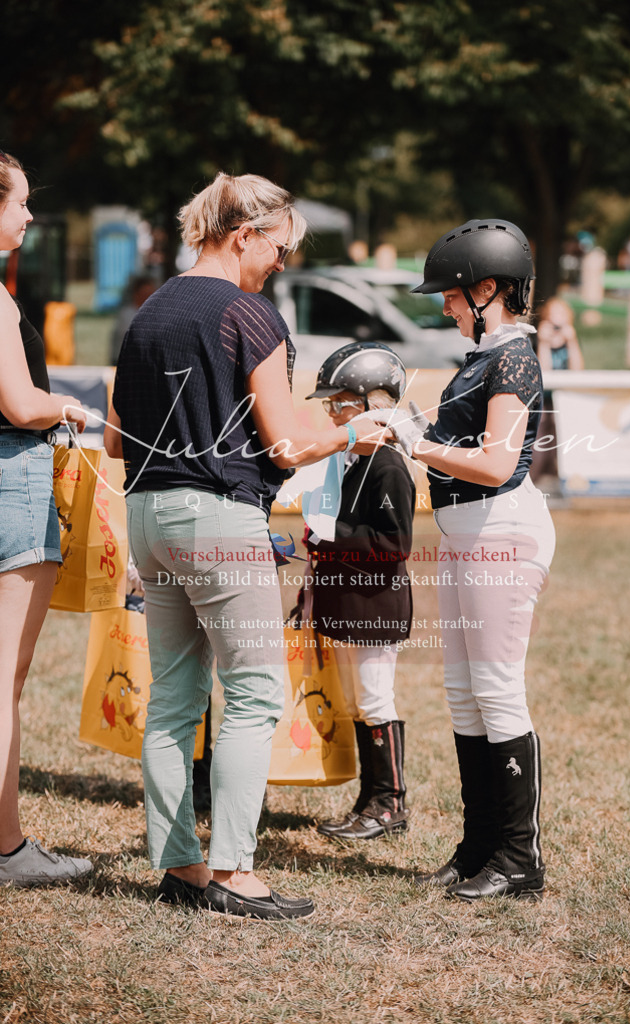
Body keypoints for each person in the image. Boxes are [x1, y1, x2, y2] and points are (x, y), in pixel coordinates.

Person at [104, 172, 384, 921]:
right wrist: (354, 433)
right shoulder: (248, 314)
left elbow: (111, 433)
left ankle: (181, 868)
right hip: (219, 520)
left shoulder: (146, 312)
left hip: (147, 515)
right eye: (281, 246)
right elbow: (288, 442)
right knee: (255, 693)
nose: (283, 263)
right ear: (244, 235)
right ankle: (233, 869)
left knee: (172, 699)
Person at [388, 219, 555, 901]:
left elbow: (493, 463)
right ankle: (478, 844)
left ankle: (520, 857)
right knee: (463, 693)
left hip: (500, 531)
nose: (447, 306)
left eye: (454, 295)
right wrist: (406, 428)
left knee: (495, 688)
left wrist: (418, 446)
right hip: (465, 536)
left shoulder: (513, 360)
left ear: (488, 289)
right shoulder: (481, 358)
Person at [0, 151, 91, 887]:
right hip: (13, 479)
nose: (29, 216)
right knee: (4, 681)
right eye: (20, 202)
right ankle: (6, 849)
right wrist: (67, 406)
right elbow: (22, 406)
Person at [302, 342, 415, 840]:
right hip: (353, 605)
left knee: (375, 701)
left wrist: (330, 538)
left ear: (375, 404)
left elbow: (394, 543)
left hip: (376, 606)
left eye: (340, 403)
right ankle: (370, 801)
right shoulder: (350, 461)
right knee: (358, 704)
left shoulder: (387, 464)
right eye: (330, 405)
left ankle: (390, 804)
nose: (333, 415)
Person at [530, 296, 584, 484]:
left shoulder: (571, 340)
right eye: (552, 315)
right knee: (540, 438)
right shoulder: (536, 341)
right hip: (542, 399)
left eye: (561, 315)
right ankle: (535, 479)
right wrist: (544, 343)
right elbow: (542, 373)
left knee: (565, 440)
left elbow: (578, 371)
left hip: (567, 400)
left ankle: (563, 479)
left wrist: (571, 341)